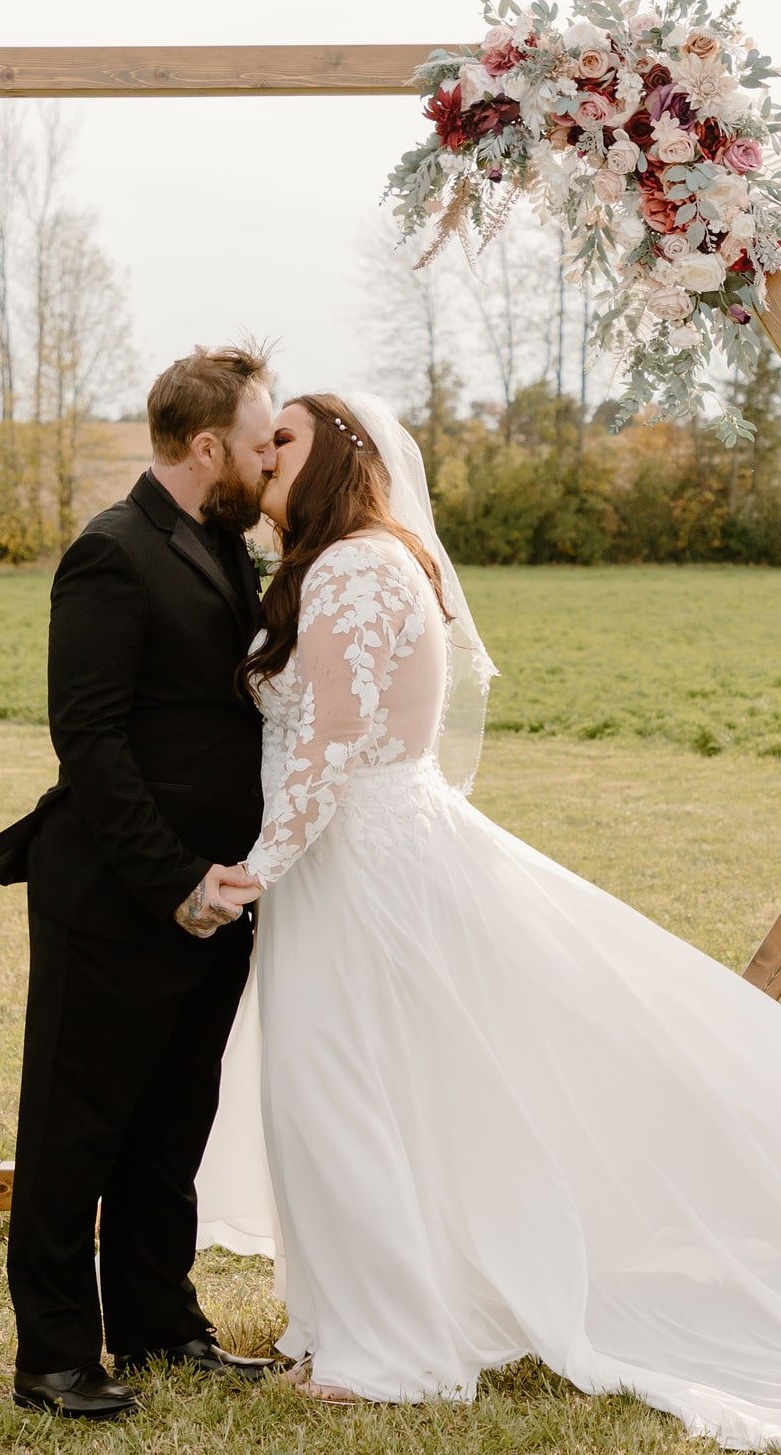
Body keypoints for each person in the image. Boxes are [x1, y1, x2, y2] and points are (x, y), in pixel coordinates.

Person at [202, 391, 781, 1449]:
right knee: (369, 1086)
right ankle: (373, 1311)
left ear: (336, 454)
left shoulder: (352, 568)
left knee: (341, 1088)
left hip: (357, 865)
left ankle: (394, 1346)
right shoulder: (364, 560)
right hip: (363, 856)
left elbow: (334, 740)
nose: (261, 454)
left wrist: (252, 871)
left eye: (283, 438)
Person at [0, 343, 278, 1420]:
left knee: (169, 1126)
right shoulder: (110, 552)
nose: (267, 461)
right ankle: (54, 1357)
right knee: (74, 1131)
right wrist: (174, 882)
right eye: (257, 444)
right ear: (207, 448)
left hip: (216, 902)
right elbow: (91, 741)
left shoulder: (221, 543)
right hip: (118, 899)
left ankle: (158, 1325)